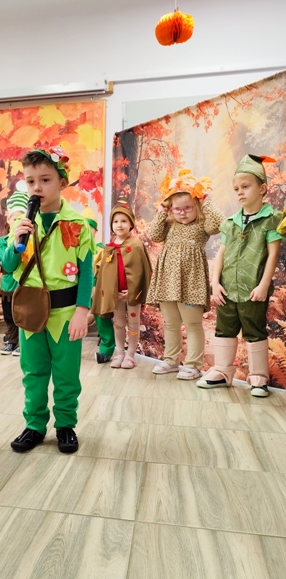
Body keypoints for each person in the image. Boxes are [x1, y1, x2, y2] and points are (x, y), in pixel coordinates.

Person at [2, 146, 95, 454]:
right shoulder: (22, 223)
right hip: (31, 309)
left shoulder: (78, 224)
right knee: (34, 372)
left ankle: (66, 424)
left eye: (45, 180)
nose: (37, 188)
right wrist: (16, 241)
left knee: (66, 374)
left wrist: (82, 311)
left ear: (62, 182)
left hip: (66, 311)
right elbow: (9, 266)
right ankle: (34, 425)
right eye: (31, 181)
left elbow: (86, 272)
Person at [197, 155, 283, 397]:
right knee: (224, 328)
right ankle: (222, 371)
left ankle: (259, 376)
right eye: (236, 189)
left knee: (254, 329)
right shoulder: (231, 223)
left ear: (262, 188)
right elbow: (221, 254)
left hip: (253, 288)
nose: (240, 192)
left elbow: (273, 254)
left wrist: (263, 285)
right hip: (227, 287)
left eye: (246, 186)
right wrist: (215, 283)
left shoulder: (270, 220)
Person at [146, 170, 224, 379]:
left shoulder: (202, 225)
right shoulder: (169, 224)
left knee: (192, 324)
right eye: (177, 209)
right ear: (171, 209)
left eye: (188, 208)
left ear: (196, 206)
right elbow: (153, 235)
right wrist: (162, 210)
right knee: (170, 323)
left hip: (191, 281)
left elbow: (219, 223)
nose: (182, 213)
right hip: (168, 280)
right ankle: (170, 360)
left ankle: (193, 365)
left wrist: (206, 202)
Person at [92, 200, 152, 369]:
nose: (119, 225)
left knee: (133, 323)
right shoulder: (109, 248)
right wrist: (111, 292)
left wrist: (134, 291)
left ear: (131, 224)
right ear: (111, 225)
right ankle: (119, 353)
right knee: (118, 324)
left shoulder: (137, 245)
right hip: (116, 296)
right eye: (116, 221)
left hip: (132, 295)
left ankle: (130, 355)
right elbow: (104, 275)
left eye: (124, 221)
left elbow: (143, 271)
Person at [0, 184, 29, 356]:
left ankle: (22, 344)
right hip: (6, 287)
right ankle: (11, 342)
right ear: (8, 221)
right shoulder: (2, 242)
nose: (16, 222)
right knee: (9, 316)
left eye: (20, 218)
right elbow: (0, 265)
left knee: (22, 315)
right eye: (14, 218)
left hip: (21, 286)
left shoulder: (28, 241)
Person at [82, 205, 115, 364]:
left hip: (97, 288)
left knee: (102, 319)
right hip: (79, 289)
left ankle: (106, 350)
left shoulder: (102, 250)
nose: (86, 232)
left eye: (90, 229)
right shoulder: (73, 250)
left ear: (95, 231)